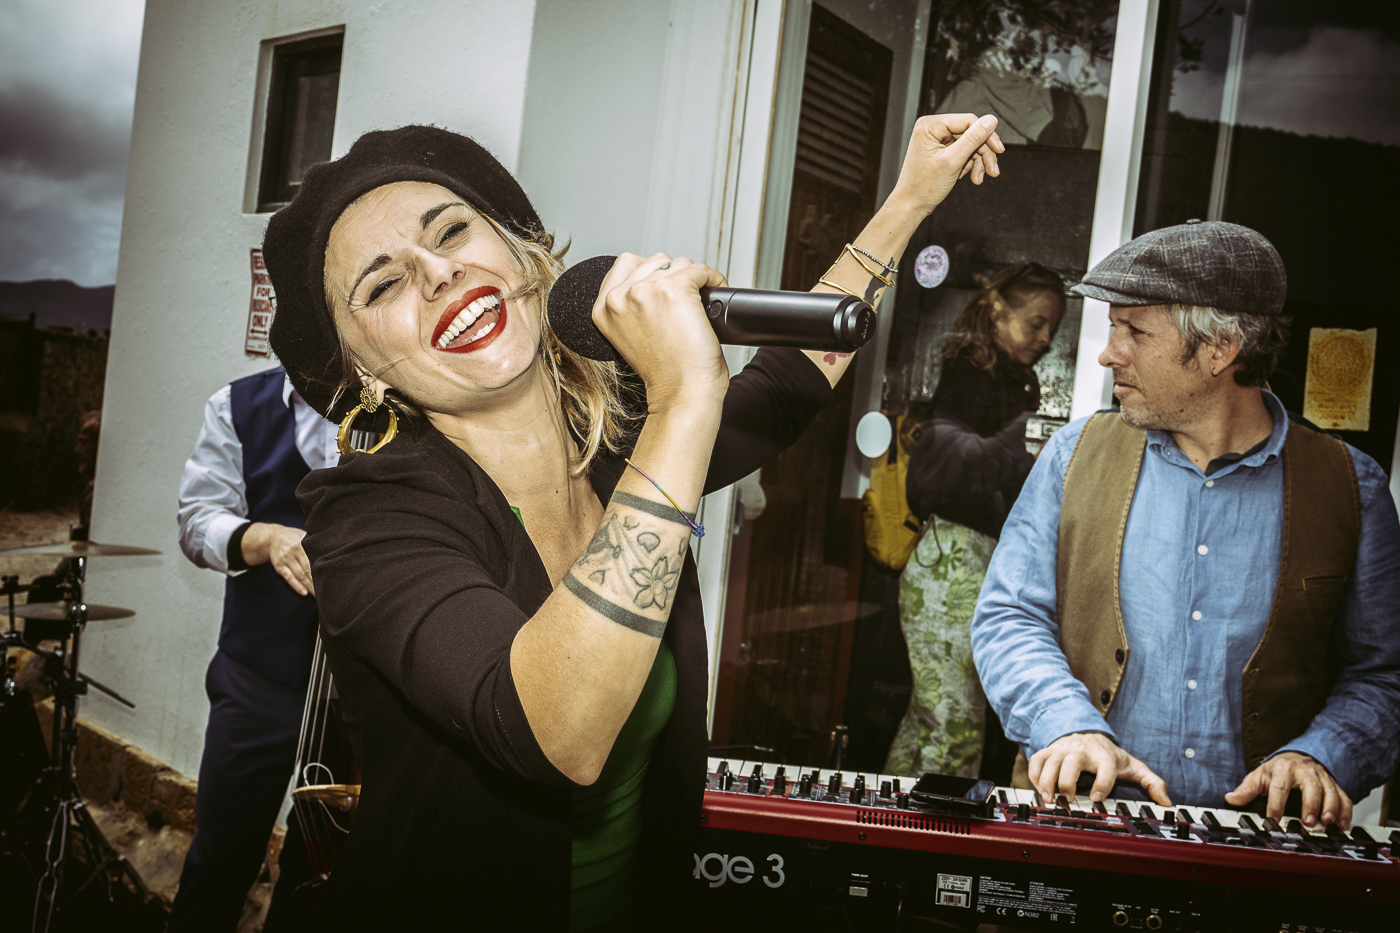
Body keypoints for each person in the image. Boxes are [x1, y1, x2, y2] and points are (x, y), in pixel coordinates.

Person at [261, 115, 1005, 929]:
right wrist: (682, 399)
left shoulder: (617, 440)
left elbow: (786, 387)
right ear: (359, 369)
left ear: (520, 251)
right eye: (383, 285)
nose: (439, 272)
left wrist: (909, 198)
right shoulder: (366, 518)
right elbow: (558, 733)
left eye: (452, 232)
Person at [972, 221, 1400, 830]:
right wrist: (1064, 725)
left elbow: (1383, 673)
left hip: (1260, 856)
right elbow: (1009, 615)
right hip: (1077, 829)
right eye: (1114, 327)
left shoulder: (1351, 487)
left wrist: (1324, 754)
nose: (1108, 352)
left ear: (1220, 348)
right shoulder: (1073, 454)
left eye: (1134, 331)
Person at [171, 366, 338, 931]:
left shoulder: (407, 403)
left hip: (358, 695)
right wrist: (263, 537)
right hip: (257, 676)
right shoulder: (235, 404)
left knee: (321, 871)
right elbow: (196, 521)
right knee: (221, 856)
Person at [885, 263, 1063, 780]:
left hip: (965, 560)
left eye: (1052, 327)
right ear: (997, 312)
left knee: (931, 720)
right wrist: (1027, 449)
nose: (1046, 339)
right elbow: (942, 477)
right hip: (953, 562)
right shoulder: (970, 377)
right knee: (955, 726)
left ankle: (886, 815)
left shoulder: (1007, 381)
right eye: (1036, 323)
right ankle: (936, 830)